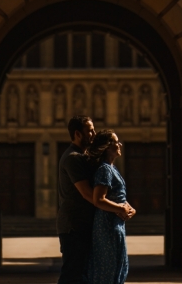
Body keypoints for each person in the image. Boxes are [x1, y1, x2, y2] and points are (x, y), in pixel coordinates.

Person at [87, 130, 136, 284]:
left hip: (116, 224)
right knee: (108, 269)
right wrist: (121, 209)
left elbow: (118, 196)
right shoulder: (104, 170)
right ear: (107, 147)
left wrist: (130, 208)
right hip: (107, 225)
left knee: (118, 265)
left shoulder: (111, 168)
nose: (119, 144)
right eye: (116, 142)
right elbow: (99, 200)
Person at [56, 116, 98, 283]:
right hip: (74, 226)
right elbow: (87, 194)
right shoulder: (73, 158)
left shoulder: (81, 156)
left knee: (80, 274)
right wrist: (117, 207)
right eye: (90, 130)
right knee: (72, 274)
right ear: (78, 134)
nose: (94, 133)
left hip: (81, 225)